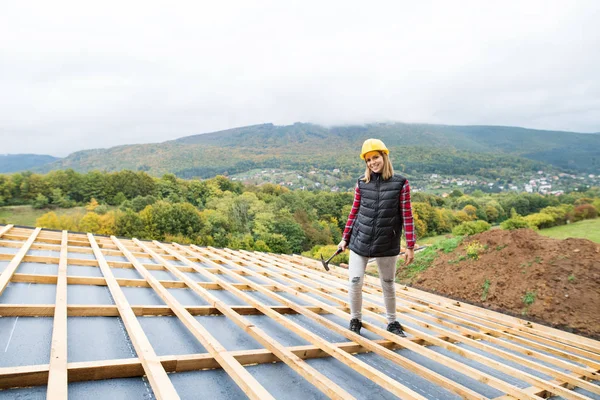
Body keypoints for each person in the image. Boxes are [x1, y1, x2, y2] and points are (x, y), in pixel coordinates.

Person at [338, 138, 415, 337]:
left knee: (388, 283)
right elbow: (353, 213)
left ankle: (392, 322)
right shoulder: (362, 184)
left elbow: (407, 215)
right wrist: (345, 238)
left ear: (384, 157)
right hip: (359, 241)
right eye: (368, 160)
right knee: (355, 281)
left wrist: (410, 245)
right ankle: (356, 319)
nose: (372, 162)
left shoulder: (400, 183)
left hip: (387, 243)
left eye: (376, 157)